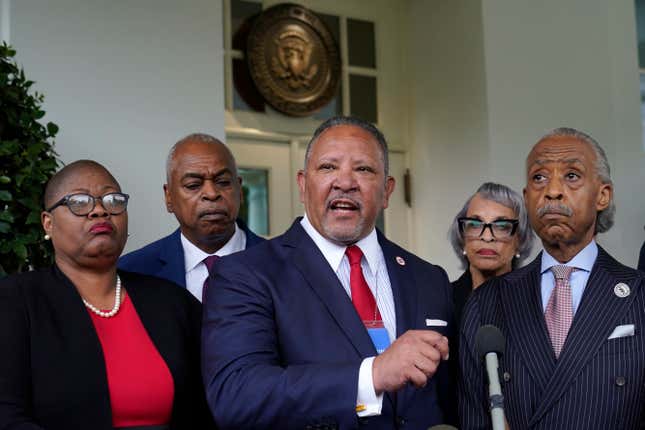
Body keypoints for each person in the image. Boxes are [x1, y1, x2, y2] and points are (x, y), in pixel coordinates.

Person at [202, 116, 456, 430]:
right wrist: (372, 374)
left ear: (387, 191)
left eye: (363, 169)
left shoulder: (429, 278)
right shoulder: (245, 275)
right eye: (328, 167)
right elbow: (237, 396)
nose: (345, 182)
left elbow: (448, 399)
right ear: (302, 184)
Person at [0, 160, 214, 430]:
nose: (100, 210)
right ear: (48, 223)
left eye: (113, 200)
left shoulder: (173, 302)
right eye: (79, 201)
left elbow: (209, 405)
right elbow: (6, 415)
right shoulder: (15, 301)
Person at [459, 128, 645, 429]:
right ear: (526, 198)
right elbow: (474, 418)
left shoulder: (638, 294)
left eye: (571, 176)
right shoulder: (487, 302)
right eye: (539, 178)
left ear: (602, 195)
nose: (552, 190)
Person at [118, 133, 264, 301]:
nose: (211, 193)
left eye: (223, 182)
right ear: (169, 197)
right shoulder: (132, 272)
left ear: (239, 189)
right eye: (193, 185)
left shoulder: (285, 265)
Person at [448, 182, 533, 325]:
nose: (487, 237)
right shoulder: (441, 301)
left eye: (502, 227)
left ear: (520, 240)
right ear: (462, 238)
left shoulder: (537, 302)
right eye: (475, 225)